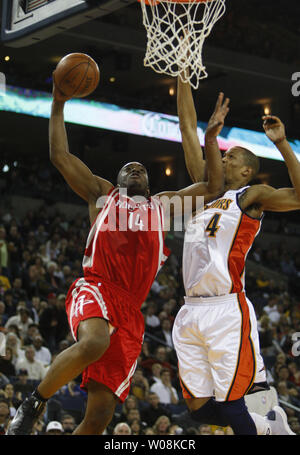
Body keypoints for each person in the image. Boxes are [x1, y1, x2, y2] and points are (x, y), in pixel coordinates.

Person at [7, 74, 225, 435]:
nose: (135, 169)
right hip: (96, 288)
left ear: (151, 183)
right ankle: (31, 405)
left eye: (141, 169)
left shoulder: (163, 206)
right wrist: (59, 102)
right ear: (118, 179)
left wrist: (212, 139)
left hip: (130, 312)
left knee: (99, 417)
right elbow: (59, 155)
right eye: (128, 168)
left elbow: (214, 187)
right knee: (94, 341)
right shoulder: (102, 195)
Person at [172, 74, 300, 435]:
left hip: (227, 307)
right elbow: (186, 129)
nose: (222, 161)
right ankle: (271, 421)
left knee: (234, 398)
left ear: (246, 170)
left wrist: (283, 144)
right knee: (199, 409)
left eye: (230, 158)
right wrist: (183, 74)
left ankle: (268, 422)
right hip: (191, 308)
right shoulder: (204, 188)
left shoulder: (250, 196)